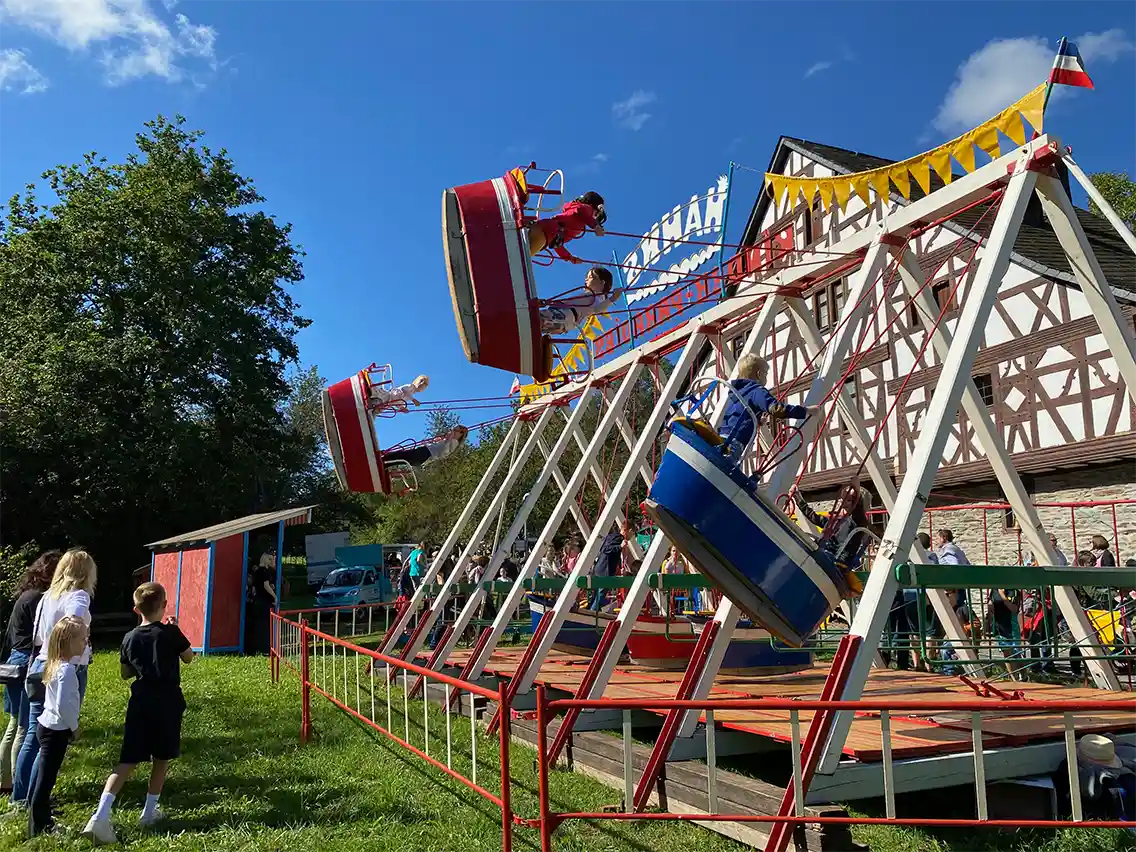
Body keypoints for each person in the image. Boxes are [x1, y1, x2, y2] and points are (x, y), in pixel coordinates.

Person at [82, 583, 194, 844]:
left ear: (135, 609)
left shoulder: (129, 638)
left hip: (140, 702)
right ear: (164, 605)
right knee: (162, 757)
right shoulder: (171, 633)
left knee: (128, 759)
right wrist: (174, 629)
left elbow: (124, 673)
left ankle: (100, 815)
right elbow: (188, 657)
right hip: (167, 701)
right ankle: (149, 810)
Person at [11, 549, 96, 810]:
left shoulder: (48, 596)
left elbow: (38, 638)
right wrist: (82, 639)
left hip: (40, 663)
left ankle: (21, 797)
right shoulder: (79, 596)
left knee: (33, 734)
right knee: (52, 739)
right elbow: (74, 624)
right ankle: (38, 801)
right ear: (86, 573)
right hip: (66, 664)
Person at [0, 552, 60, 796]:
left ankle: (6, 781)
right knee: (25, 728)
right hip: (26, 661)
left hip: (15, 659)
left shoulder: (26, 595)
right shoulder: (39, 598)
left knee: (15, 724)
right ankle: (20, 786)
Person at [27, 616, 87, 837]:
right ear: (68, 642)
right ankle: (39, 826)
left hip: (47, 725)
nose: (85, 643)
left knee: (46, 777)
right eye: (82, 639)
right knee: (46, 779)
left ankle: (41, 820)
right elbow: (63, 705)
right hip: (56, 729)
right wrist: (74, 727)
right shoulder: (66, 671)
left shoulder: (56, 665)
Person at [720, 355, 809, 459]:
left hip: (722, 438)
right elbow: (776, 409)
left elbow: (739, 415)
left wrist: (756, 420)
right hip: (735, 443)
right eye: (765, 374)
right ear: (759, 374)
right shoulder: (756, 390)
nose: (766, 378)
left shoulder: (736, 393)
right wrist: (805, 411)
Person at [790, 485, 872, 595]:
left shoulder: (858, 522)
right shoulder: (835, 521)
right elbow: (814, 517)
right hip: (825, 556)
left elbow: (858, 508)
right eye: (843, 499)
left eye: (849, 500)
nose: (844, 502)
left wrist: (856, 486)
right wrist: (798, 498)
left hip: (837, 562)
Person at [539, 267, 622, 336]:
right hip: (568, 320)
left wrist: (613, 298)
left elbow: (597, 309)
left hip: (566, 314)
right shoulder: (592, 296)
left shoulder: (597, 297)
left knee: (536, 318)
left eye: (590, 277)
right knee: (540, 326)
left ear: (601, 282)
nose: (586, 279)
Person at [527, 191, 606, 261]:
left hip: (547, 229)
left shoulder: (574, 212)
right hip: (549, 231)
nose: (594, 217)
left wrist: (569, 257)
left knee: (522, 252)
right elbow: (580, 211)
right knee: (524, 256)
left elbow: (557, 244)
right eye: (596, 215)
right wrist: (595, 226)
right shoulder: (588, 209)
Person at [588, 522, 630, 611]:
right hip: (605, 570)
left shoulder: (611, 536)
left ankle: (593, 610)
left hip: (600, 567)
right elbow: (606, 549)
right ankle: (593, 611)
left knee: (597, 594)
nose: (632, 536)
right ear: (628, 531)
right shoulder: (618, 538)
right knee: (601, 593)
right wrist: (620, 546)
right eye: (632, 533)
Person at [383, 426, 469, 469]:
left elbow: (444, 451)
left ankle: (384, 460)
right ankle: (385, 463)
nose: (453, 432)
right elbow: (440, 447)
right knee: (402, 458)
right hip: (425, 454)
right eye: (454, 429)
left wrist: (449, 438)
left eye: (456, 431)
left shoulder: (454, 442)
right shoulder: (449, 441)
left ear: (461, 435)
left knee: (402, 455)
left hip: (426, 453)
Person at [245, 544, 278, 655]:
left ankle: (256, 648)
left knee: (258, 626)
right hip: (264, 602)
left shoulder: (257, 571)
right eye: (272, 559)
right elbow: (265, 585)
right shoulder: (265, 571)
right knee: (265, 626)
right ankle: (265, 649)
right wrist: (274, 596)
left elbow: (256, 586)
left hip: (256, 601)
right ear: (268, 560)